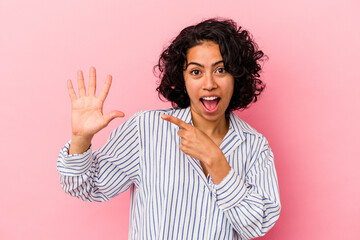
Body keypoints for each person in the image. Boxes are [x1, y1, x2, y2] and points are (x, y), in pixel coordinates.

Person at [57, 18, 281, 239]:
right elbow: (87, 186)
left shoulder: (255, 146)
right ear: (182, 78)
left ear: (236, 76)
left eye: (221, 70)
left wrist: (217, 163)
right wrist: (80, 139)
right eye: (196, 72)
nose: (209, 83)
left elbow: (257, 225)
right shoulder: (146, 130)